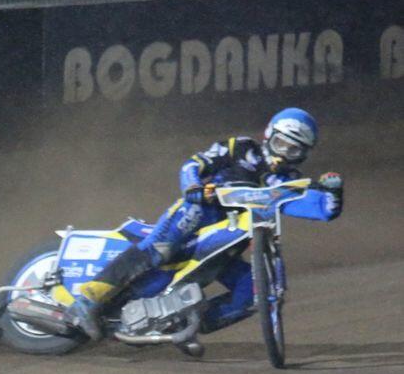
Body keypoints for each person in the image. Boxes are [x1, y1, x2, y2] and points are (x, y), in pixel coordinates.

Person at [68, 107, 344, 341]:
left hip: (228, 242)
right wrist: (193, 186)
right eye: (281, 144)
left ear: (303, 155)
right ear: (269, 135)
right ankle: (88, 299)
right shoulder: (241, 147)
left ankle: (184, 325)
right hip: (200, 211)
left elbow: (321, 209)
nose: (283, 154)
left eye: (293, 150)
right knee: (159, 249)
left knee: (252, 291)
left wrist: (333, 192)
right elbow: (195, 163)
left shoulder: (287, 182)